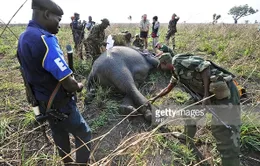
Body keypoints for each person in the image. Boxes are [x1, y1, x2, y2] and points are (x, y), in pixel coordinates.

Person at [17, 0, 91, 165]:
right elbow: (68, 83)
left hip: (43, 103)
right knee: (84, 133)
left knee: (59, 133)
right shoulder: (45, 40)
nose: (59, 25)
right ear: (46, 14)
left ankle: (67, 162)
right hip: (60, 103)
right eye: (58, 20)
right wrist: (79, 86)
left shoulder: (23, 38)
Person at [150, 53, 241, 166]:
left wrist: (206, 96)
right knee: (187, 111)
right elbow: (168, 88)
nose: (161, 70)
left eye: (161, 67)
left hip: (224, 94)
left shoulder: (178, 61)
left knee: (223, 133)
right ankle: (186, 136)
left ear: (164, 63)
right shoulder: (176, 73)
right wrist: (154, 98)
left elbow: (204, 66)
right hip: (207, 95)